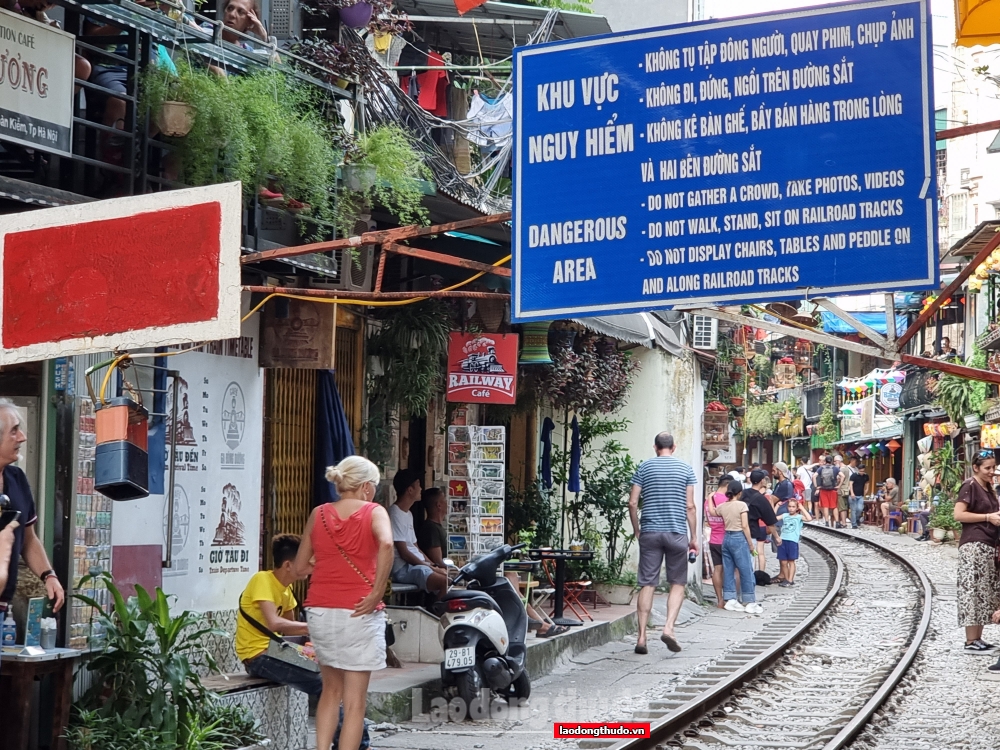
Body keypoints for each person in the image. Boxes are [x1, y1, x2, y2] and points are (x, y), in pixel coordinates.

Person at [295, 456, 394, 750]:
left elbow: (300, 567)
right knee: (354, 704)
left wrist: (326, 563)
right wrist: (377, 592)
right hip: (358, 611)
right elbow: (387, 544)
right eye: (374, 485)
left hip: (320, 611)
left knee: (330, 691)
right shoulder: (374, 512)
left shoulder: (319, 514)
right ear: (365, 487)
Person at [628, 432, 698, 655]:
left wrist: (637, 529)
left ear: (655, 447)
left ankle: (641, 638)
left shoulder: (645, 467)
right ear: (674, 447)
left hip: (650, 532)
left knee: (648, 583)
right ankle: (669, 628)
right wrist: (694, 536)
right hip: (676, 533)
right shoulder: (686, 469)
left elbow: (632, 502)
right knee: (677, 582)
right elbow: (690, 506)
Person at [0, 400, 64, 619]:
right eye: (14, 431)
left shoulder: (16, 479)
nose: (23, 437)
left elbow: (28, 538)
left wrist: (48, 575)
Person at [952, 450, 1000, 654]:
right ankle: (971, 640)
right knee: (973, 589)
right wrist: (988, 517)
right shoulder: (970, 485)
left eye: (993, 467)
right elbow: (958, 514)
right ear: (976, 468)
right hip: (974, 545)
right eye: (987, 468)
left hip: (988, 544)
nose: (992, 471)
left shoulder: (988, 488)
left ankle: (978, 637)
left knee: (983, 591)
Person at [389, 470, 448, 598]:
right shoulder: (395, 513)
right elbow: (404, 552)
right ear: (410, 490)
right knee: (445, 582)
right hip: (404, 568)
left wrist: (433, 565)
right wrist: (430, 567)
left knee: (450, 577)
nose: (421, 489)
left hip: (418, 565)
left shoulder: (408, 514)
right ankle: (436, 614)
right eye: (418, 485)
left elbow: (415, 547)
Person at [708, 480, 760, 613]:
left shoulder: (723, 506)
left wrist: (709, 497)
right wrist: (750, 545)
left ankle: (730, 599)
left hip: (726, 539)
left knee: (729, 569)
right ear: (740, 492)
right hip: (739, 538)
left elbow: (713, 512)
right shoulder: (742, 505)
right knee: (746, 570)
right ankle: (749, 601)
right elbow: (744, 526)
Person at [744, 469, 782, 571]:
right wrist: (777, 537)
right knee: (749, 562)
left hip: (737, 531)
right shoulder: (761, 499)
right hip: (752, 531)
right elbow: (770, 521)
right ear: (762, 481)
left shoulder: (742, 493)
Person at [705, 476, 732, 609]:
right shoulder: (727, 500)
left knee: (717, 569)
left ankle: (719, 600)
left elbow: (709, 520)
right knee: (730, 570)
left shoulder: (708, 501)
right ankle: (729, 598)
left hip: (714, 539)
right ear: (727, 485)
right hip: (726, 538)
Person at [776, 499, 811, 587]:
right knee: (783, 562)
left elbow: (809, 519)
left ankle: (790, 579)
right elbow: (772, 518)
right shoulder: (785, 515)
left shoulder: (799, 517)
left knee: (791, 561)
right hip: (783, 539)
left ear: (796, 508)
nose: (791, 509)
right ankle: (786, 579)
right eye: (789, 506)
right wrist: (777, 506)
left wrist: (802, 508)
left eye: (793, 507)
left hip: (792, 541)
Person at [416, 488, 447, 567]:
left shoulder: (436, 527)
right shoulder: (430, 529)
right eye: (445, 500)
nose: (447, 502)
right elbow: (438, 562)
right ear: (439, 505)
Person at [813, 455, 840, 527]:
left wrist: (816, 486)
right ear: (831, 461)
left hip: (823, 490)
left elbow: (814, 476)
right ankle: (837, 522)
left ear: (825, 461)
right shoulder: (835, 468)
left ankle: (827, 522)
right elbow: (843, 476)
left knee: (826, 506)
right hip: (833, 490)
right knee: (834, 506)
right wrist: (839, 485)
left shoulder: (821, 468)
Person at [834, 455, 853, 529]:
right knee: (844, 507)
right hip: (846, 489)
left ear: (839, 461)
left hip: (841, 489)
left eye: (835, 461)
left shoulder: (841, 469)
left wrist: (837, 485)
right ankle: (844, 522)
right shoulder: (846, 468)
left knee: (841, 507)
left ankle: (844, 523)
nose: (834, 462)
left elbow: (839, 479)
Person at [849, 462, 869, 529]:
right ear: (858, 470)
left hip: (861, 495)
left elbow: (867, 482)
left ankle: (857, 519)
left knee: (860, 509)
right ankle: (854, 524)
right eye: (860, 471)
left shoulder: (866, 476)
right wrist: (852, 493)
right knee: (853, 510)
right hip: (853, 495)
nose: (861, 472)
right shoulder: (854, 475)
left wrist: (866, 489)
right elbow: (850, 484)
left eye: (863, 471)